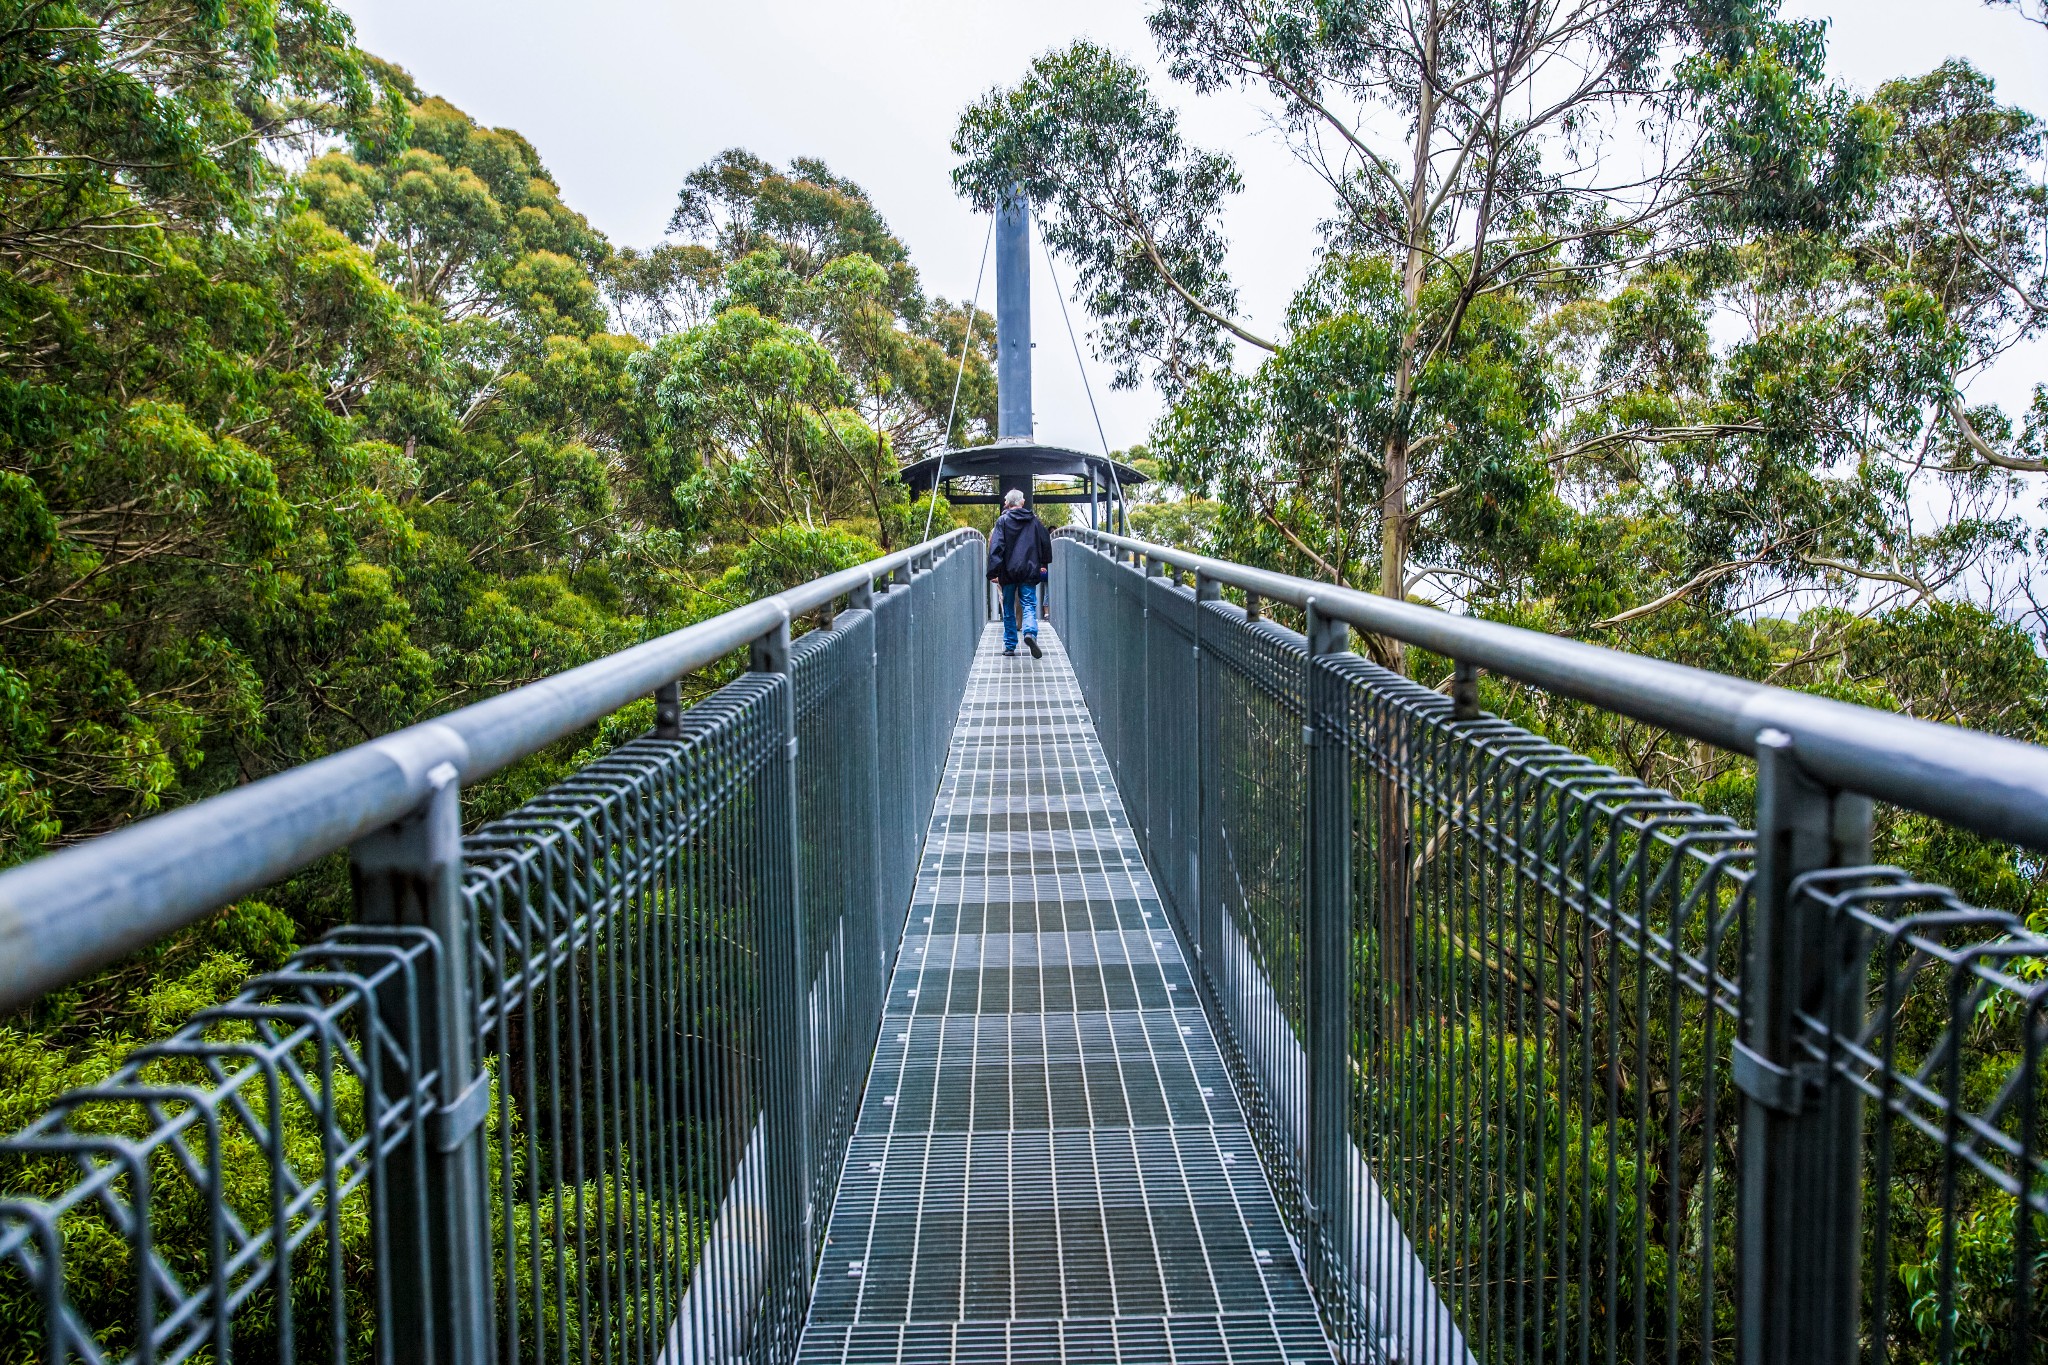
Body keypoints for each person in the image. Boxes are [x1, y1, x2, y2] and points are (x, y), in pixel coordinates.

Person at [987, 488, 1051, 658]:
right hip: (1028, 570)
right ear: (1022, 502)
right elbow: (1045, 541)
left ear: (1007, 503)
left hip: (1007, 572)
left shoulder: (1003, 521)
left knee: (1008, 608)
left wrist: (993, 571)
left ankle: (1009, 646)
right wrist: (1043, 563)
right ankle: (1029, 632)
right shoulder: (1034, 521)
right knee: (1029, 604)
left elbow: (997, 546)